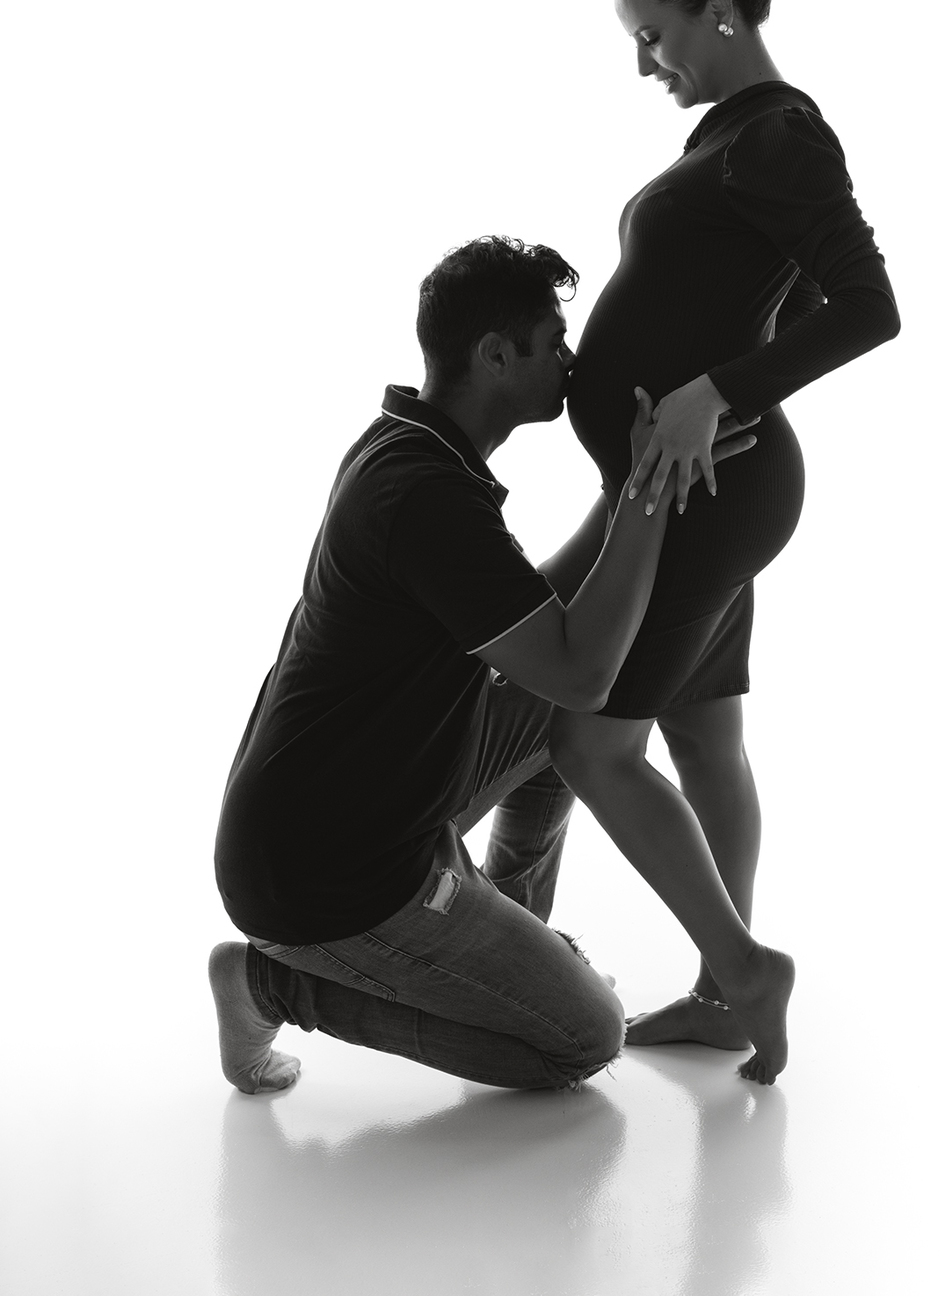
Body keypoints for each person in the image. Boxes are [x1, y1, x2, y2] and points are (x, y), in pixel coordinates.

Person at [209, 235, 759, 1095]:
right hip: (331, 877)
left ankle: (509, 935)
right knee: (583, 1039)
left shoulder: (416, 449)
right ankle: (269, 983)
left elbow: (543, 628)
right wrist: (647, 493)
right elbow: (582, 672)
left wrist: (634, 484)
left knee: (564, 716)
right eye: (554, 343)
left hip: (369, 805)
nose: (570, 363)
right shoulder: (425, 497)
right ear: (495, 355)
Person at [550, 0, 901, 1086]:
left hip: (705, 499)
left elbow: (869, 308)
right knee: (702, 740)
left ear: (718, 12)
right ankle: (719, 990)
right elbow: (782, 294)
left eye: (653, 36)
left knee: (589, 746)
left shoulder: (779, 134)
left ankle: (745, 973)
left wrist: (715, 392)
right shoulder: (741, 136)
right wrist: (721, 373)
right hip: (699, 491)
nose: (646, 64)